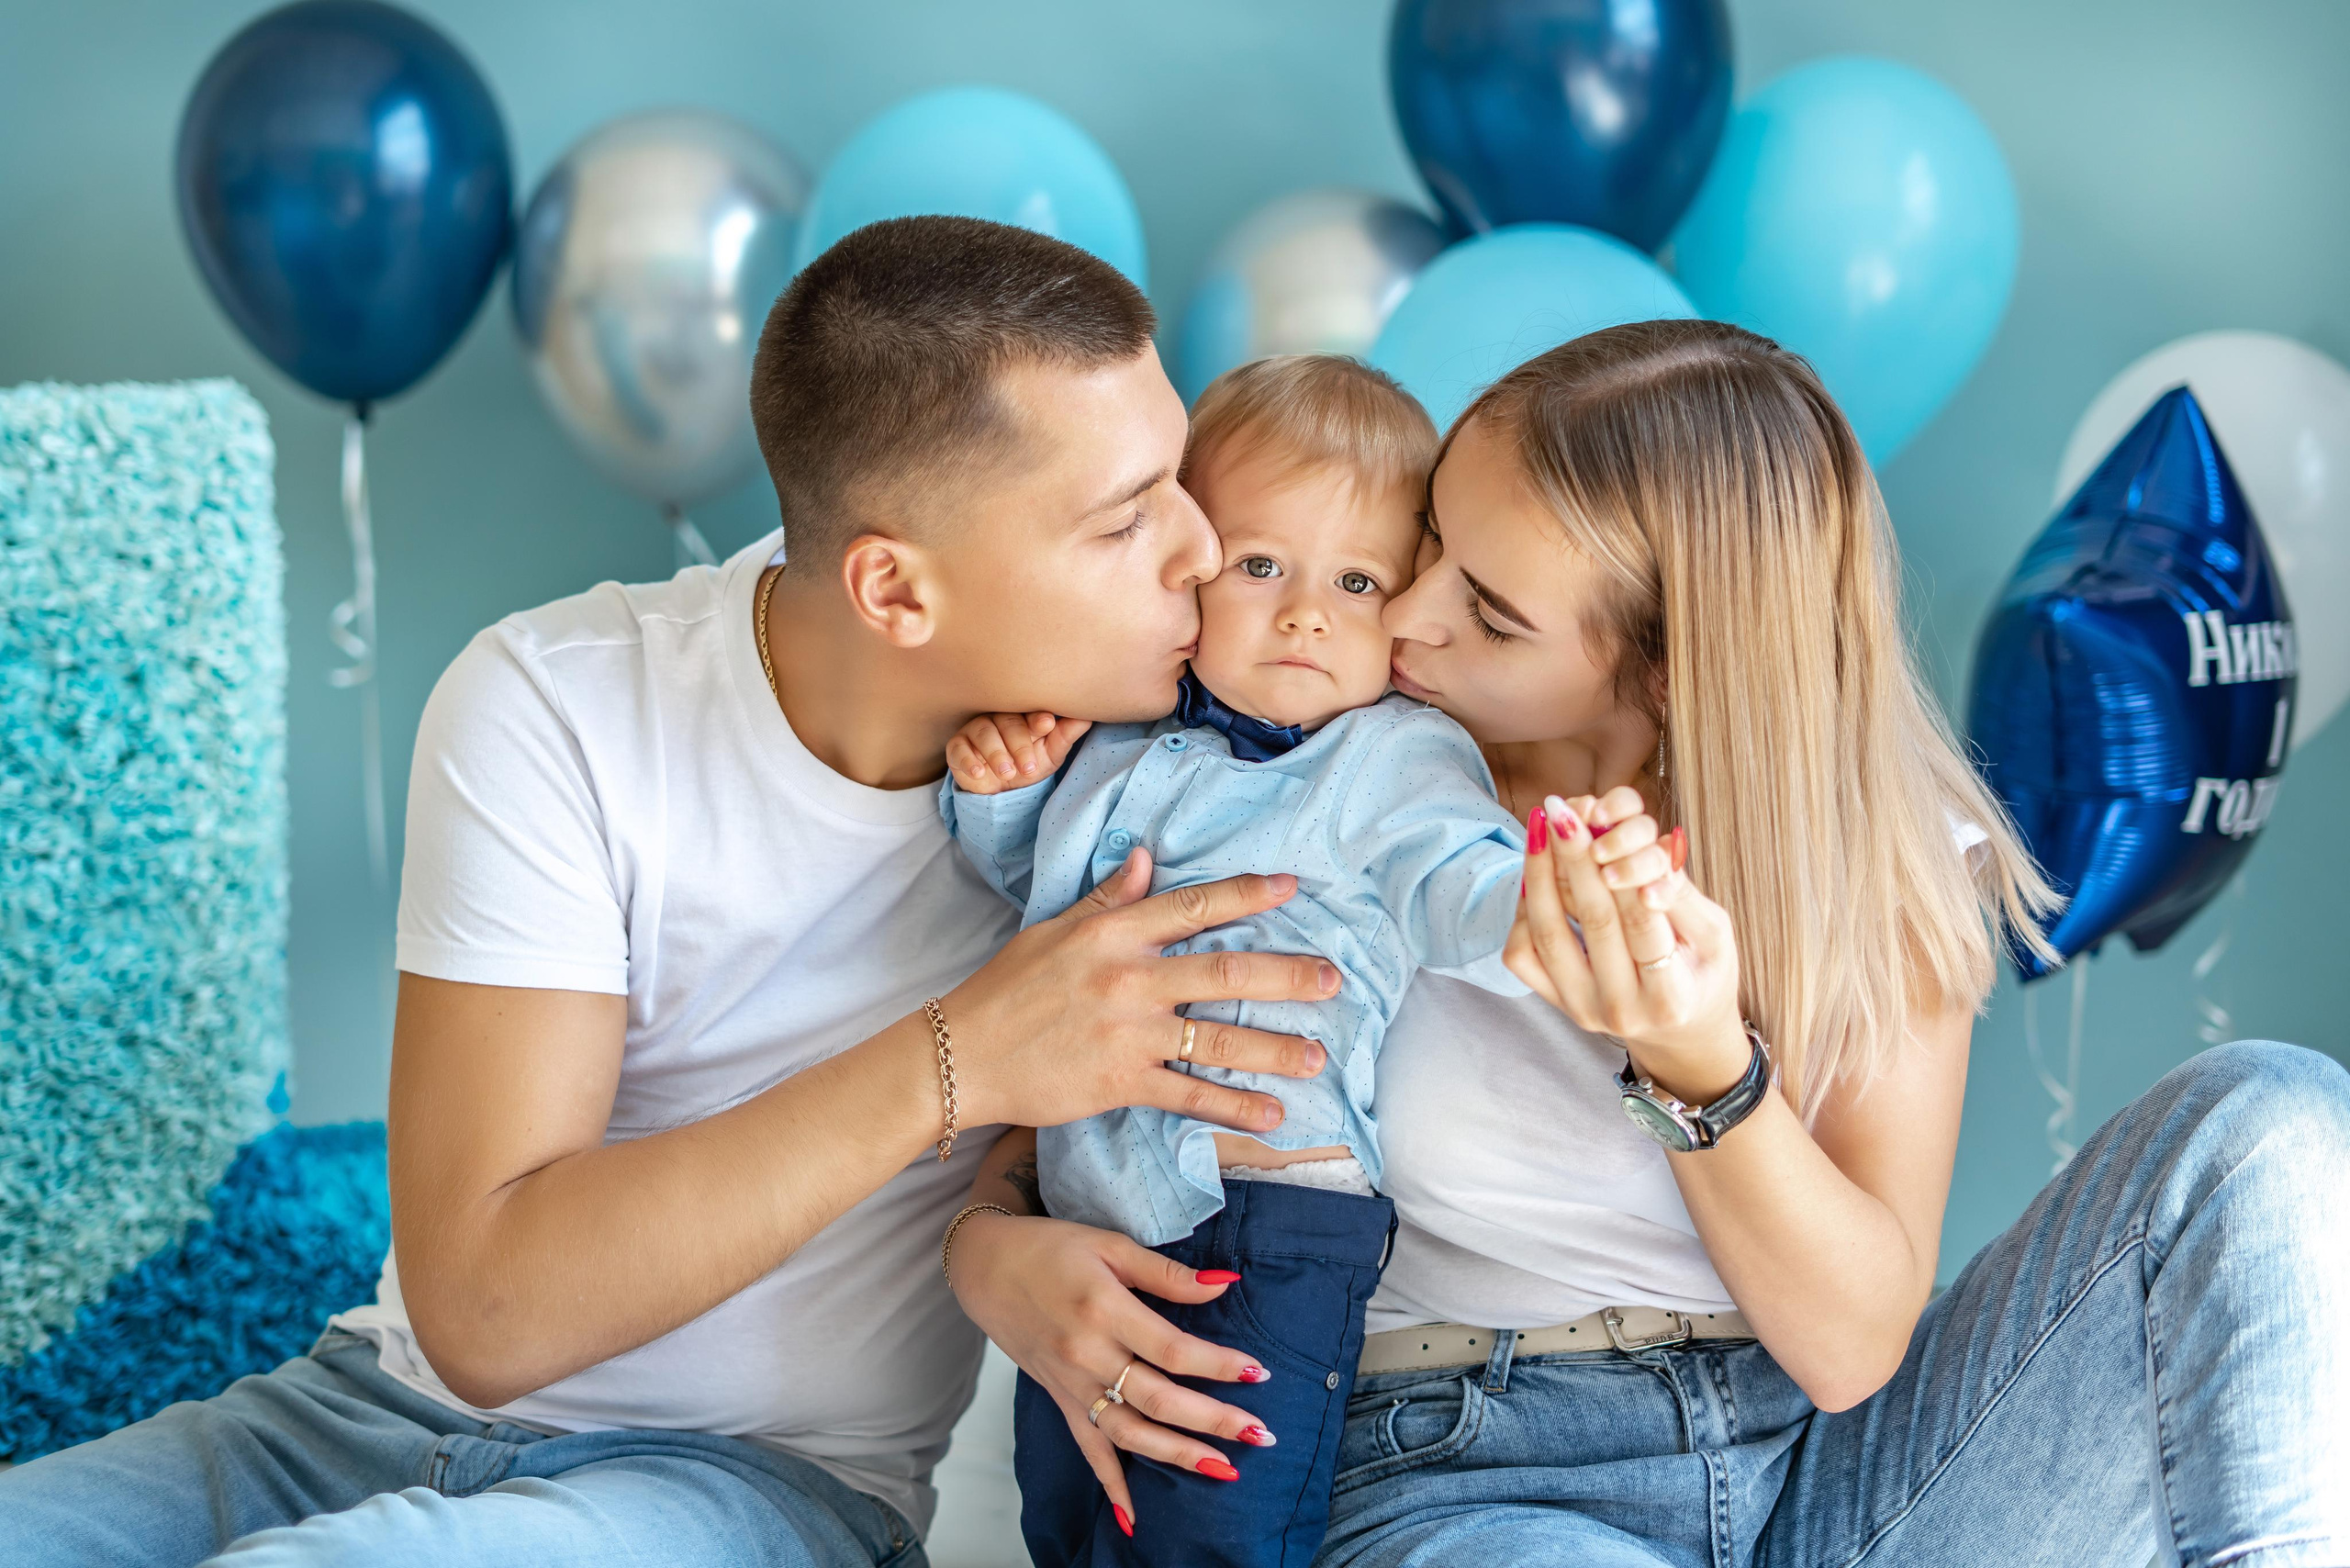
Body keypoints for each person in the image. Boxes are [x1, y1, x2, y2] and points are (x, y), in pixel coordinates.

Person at [0, 216, 1341, 1567]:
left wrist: (996, 1233)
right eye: (1124, 520)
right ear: (895, 589)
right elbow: (485, 1316)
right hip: (358, 1415)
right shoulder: (558, 703)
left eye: (1177, 481)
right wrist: (968, 1053)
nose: (1202, 551)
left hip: (754, 1490)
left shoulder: (1168, 783)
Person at [946, 319, 2350, 1566]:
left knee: (2275, 1119)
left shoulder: (1873, 840)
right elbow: (1080, 1086)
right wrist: (989, 1256)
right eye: (1432, 543)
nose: (1409, 616)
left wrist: (1696, 1062)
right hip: (1455, 1469)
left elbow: (1856, 1346)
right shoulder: (1347, 771)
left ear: (1670, 670)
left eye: (1486, 609)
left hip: (1823, 1473)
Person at [940, 355, 1526, 1567]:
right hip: (1084, 1211)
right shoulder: (1113, 737)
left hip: (1267, 1213)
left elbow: (1455, 879)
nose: (1306, 613)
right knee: (1068, 1513)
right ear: (1187, 569)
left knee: (1217, 1529)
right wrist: (997, 794)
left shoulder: (1393, 756)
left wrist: (1538, 904)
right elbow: (1027, 883)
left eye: (1357, 581)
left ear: (1408, 613)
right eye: (1262, 566)